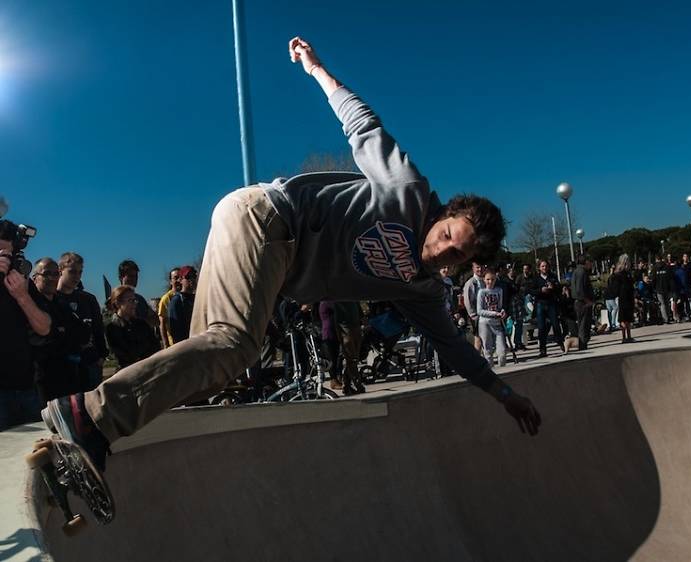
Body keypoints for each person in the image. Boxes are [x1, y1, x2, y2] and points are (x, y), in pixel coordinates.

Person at [41, 37, 541, 470]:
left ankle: (99, 432)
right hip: (269, 217)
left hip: (261, 238)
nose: (446, 251)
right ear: (444, 215)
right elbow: (362, 124)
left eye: (459, 254)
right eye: (450, 234)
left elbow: (454, 347)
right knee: (236, 346)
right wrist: (316, 68)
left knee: (206, 364)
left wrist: (503, 394)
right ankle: (90, 416)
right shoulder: (408, 192)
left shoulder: (422, 289)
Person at [0, 220, 51, 430]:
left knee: (33, 453)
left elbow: (44, 327)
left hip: (26, 388)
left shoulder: (21, 282)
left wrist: (22, 296)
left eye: (6, 254)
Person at [31, 258, 92, 402]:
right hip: (45, 381)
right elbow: (44, 340)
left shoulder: (61, 304)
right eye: (46, 274)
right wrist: (64, 335)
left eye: (55, 273)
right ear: (35, 278)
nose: (52, 278)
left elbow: (83, 334)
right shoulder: (31, 306)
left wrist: (62, 334)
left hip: (70, 377)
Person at [56, 252, 108, 390]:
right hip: (63, 367)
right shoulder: (53, 299)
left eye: (80, 272)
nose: (77, 276)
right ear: (60, 270)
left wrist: (101, 356)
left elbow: (98, 329)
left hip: (90, 364)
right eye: (72, 271)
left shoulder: (88, 299)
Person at [105, 286, 161, 371]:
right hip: (127, 374)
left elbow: (156, 346)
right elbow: (124, 355)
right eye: (130, 301)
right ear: (118, 303)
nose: (135, 304)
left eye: (135, 300)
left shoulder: (142, 324)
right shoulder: (112, 328)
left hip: (148, 370)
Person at [529, 260, 564, 358]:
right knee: (541, 327)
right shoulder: (536, 279)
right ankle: (542, 349)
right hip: (540, 303)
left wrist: (553, 287)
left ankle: (561, 343)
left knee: (556, 324)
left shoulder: (552, 276)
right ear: (539, 268)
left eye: (546, 266)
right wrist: (540, 290)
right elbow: (531, 290)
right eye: (542, 266)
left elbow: (559, 288)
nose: (544, 268)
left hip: (551, 303)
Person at [476, 269, 507, 367]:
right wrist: (494, 313)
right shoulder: (481, 292)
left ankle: (503, 370)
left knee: (502, 351)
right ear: (484, 280)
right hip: (484, 323)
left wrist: (502, 311)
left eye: (492, 279)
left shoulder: (499, 290)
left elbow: (500, 306)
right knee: (488, 351)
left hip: (497, 323)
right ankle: (491, 373)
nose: (490, 282)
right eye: (488, 279)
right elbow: (479, 311)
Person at [118, 259, 158, 329]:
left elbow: (156, 320)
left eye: (136, 276)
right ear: (121, 278)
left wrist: (141, 323)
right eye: (130, 276)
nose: (134, 279)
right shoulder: (116, 300)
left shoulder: (140, 299)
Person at [167, 266, 198, 344]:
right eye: (188, 277)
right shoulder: (177, 300)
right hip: (187, 346)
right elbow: (175, 331)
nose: (192, 280)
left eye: (194, 276)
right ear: (180, 280)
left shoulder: (197, 298)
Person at [610, 254, 636, 343]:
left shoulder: (627, 273)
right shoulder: (619, 274)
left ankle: (628, 336)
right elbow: (617, 288)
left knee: (628, 318)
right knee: (624, 318)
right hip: (623, 298)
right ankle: (624, 337)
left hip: (628, 297)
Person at [570, 255, 594, 350]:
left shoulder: (577, 271)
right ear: (586, 262)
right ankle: (583, 344)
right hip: (582, 302)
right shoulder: (582, 272)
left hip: (580, 302)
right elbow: (580, 289)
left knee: (582, 323)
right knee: (584, 324)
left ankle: (583, 343)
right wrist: (587, 301)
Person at [462, 262, 485, 352]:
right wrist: (473, 314)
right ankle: (477, 358)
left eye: (482, 267)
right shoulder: (471, 282)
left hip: (485, 313)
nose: (480, 269)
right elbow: (467, 300)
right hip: (476, 315)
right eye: (477, 267)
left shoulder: (484, 280)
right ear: (473, 268)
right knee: (478, 338)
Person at [158, 267, 181, 348]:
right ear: (171, 281)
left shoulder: (185, 296)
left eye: (180, 277)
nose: (178, 280)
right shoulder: (166, 299)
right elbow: (162, 324)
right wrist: (166, 344)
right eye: (175, 278)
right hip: (173, 344)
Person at [603, 265, 619, 333]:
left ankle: (611, 325)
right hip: (610, 295)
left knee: (609, 310)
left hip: (607, 294)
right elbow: (615, 286)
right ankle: (613, 324)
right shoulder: (614, 277)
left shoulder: (610, 277)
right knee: (615, 308)